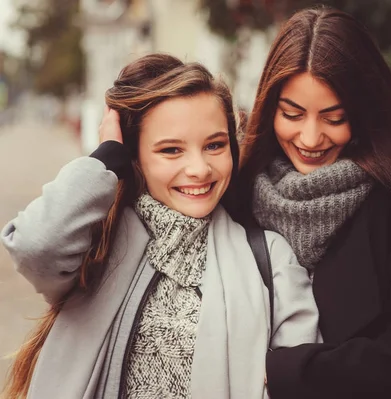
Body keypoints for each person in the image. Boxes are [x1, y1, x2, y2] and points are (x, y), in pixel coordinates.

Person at [1, 54, 319, 399]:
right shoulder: (97, 243)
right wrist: (105, 158)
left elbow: (300, 383)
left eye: (215, 145)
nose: (199, 168)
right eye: (171, 150)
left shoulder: (271, 261)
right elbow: (35, 246)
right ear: (135, 157)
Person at [236, 6, 391, 399]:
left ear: (367, 113)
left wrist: (287, 371)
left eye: (334, 118)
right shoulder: (242, 193)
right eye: (292, 114)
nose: (310, 137)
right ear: (270, 108)